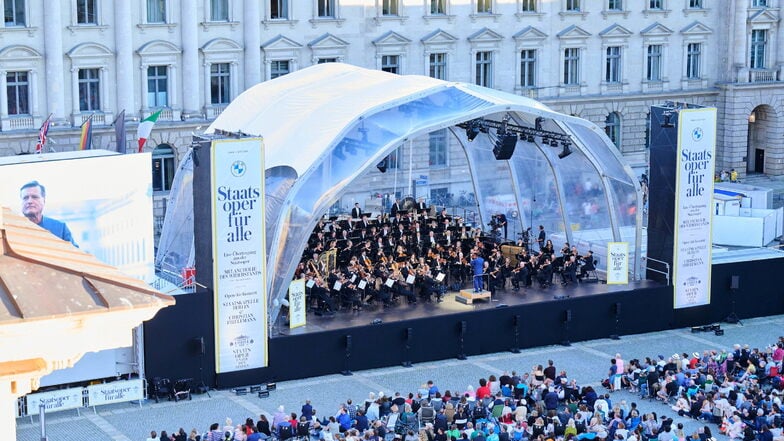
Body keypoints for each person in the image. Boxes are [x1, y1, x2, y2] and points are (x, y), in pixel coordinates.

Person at [19, 180, 77, 246]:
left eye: (34, 197)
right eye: (25, 198)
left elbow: (76, 254)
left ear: (44, 200)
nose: (29, 201)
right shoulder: (12, 229)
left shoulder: (60, 228)